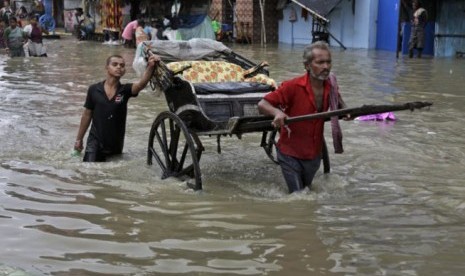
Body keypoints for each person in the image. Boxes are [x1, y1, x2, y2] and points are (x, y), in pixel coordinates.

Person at [257, 41, 346, 194]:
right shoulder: (293, 86)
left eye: (328, 62)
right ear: (307, 66)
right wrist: (278, 113)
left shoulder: (331, 86)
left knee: (307, 191)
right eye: (320, 62)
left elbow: (340, 106)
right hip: (290, 153)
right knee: (298, 195)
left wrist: (347, 112)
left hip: (313, 154)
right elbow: (262, 104)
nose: (326, 67)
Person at [74, 53, 161, 162]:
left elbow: (140, 85)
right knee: (89, 170)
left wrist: (151, 66)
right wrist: (79, 139)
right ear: (107, 67)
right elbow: (87, 115)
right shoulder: (94, 89)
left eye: (122, 65)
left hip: (115, 144)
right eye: (114, 64)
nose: (119, 67)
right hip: (94, 143)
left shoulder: (125, 90)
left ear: (124, 71)